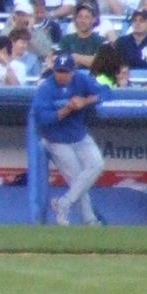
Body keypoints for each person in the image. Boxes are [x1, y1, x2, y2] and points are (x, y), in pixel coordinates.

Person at [34, 52, 104, 225]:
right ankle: (90, 220)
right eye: (59, 71)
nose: (62, 74)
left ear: (73, 71)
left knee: (97, 165)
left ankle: (63, 203)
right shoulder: (46, 88)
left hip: (79, 136)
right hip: (56, 140)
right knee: (76, 179)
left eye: (66, 71)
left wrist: (85, 101)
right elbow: (41, 118)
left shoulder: (81, 79)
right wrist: (65, 110)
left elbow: (106, 92)